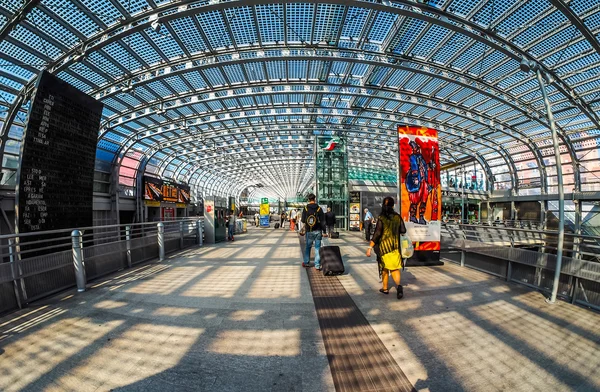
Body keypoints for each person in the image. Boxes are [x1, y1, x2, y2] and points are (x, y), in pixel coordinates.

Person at [366, 196, 407, 299]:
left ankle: (385, 288)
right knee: (395, 269)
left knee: (384, 268)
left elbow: (377, 234)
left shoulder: (382, 218)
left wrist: (370, 247)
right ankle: (398, 286)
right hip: (395, 247)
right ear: (393, 206)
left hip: (384, 248)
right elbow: (403, 230)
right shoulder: (397, 217)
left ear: (383, 206)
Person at [301, 194, 326, 270]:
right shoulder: (319, 208)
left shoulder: (305, 208)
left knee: (308, 247)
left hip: (309, 230)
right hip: (318, 231)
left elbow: (302, 220)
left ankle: (306, 262)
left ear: (309, 199)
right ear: (315, 199)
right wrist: (324, 231)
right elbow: (323, 221)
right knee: (317, 248)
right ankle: (317, 265)